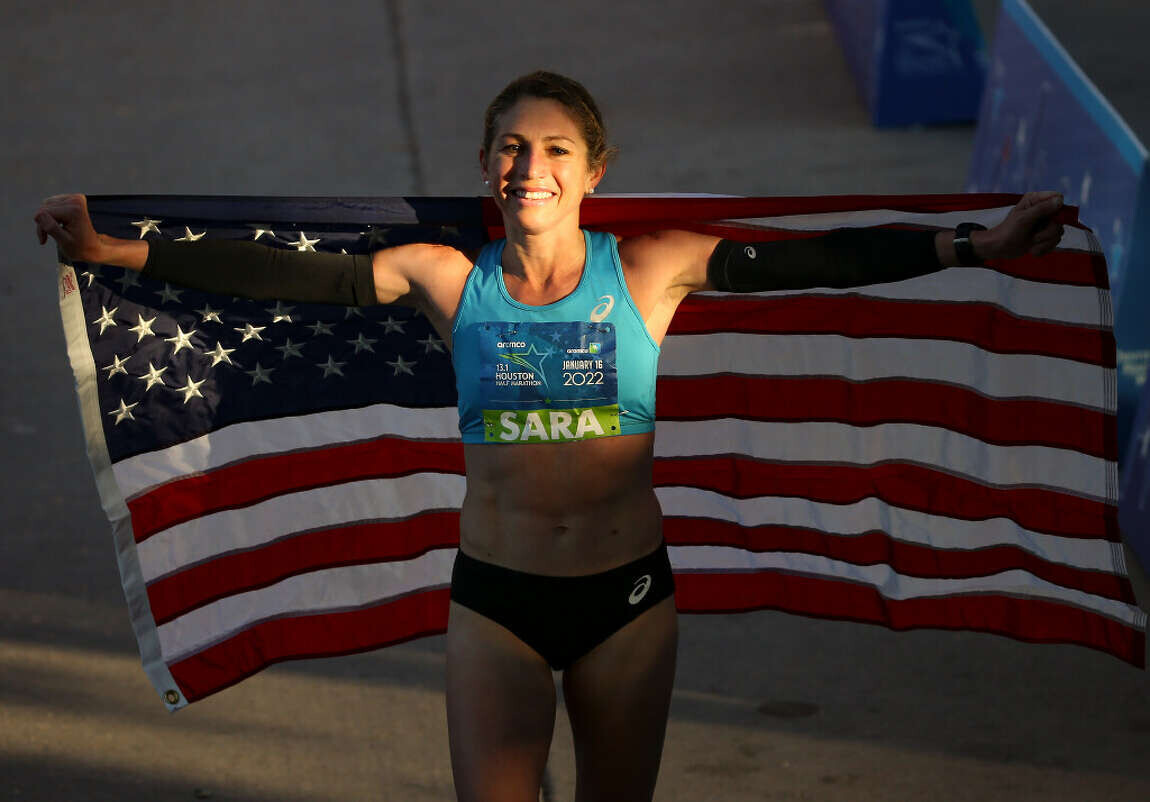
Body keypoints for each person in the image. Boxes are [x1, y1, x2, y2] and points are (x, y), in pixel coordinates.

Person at [35, 71, 1065, 802]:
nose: (531, 166)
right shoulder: (446, 277)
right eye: (513, 149)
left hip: (626, 604)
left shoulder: (652, 267)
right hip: (497, 603)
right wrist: (116, 252)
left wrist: (975, 245)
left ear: (593, 170)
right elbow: (283, 274)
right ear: (487, 166)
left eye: (556, 149)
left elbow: (820, 263)